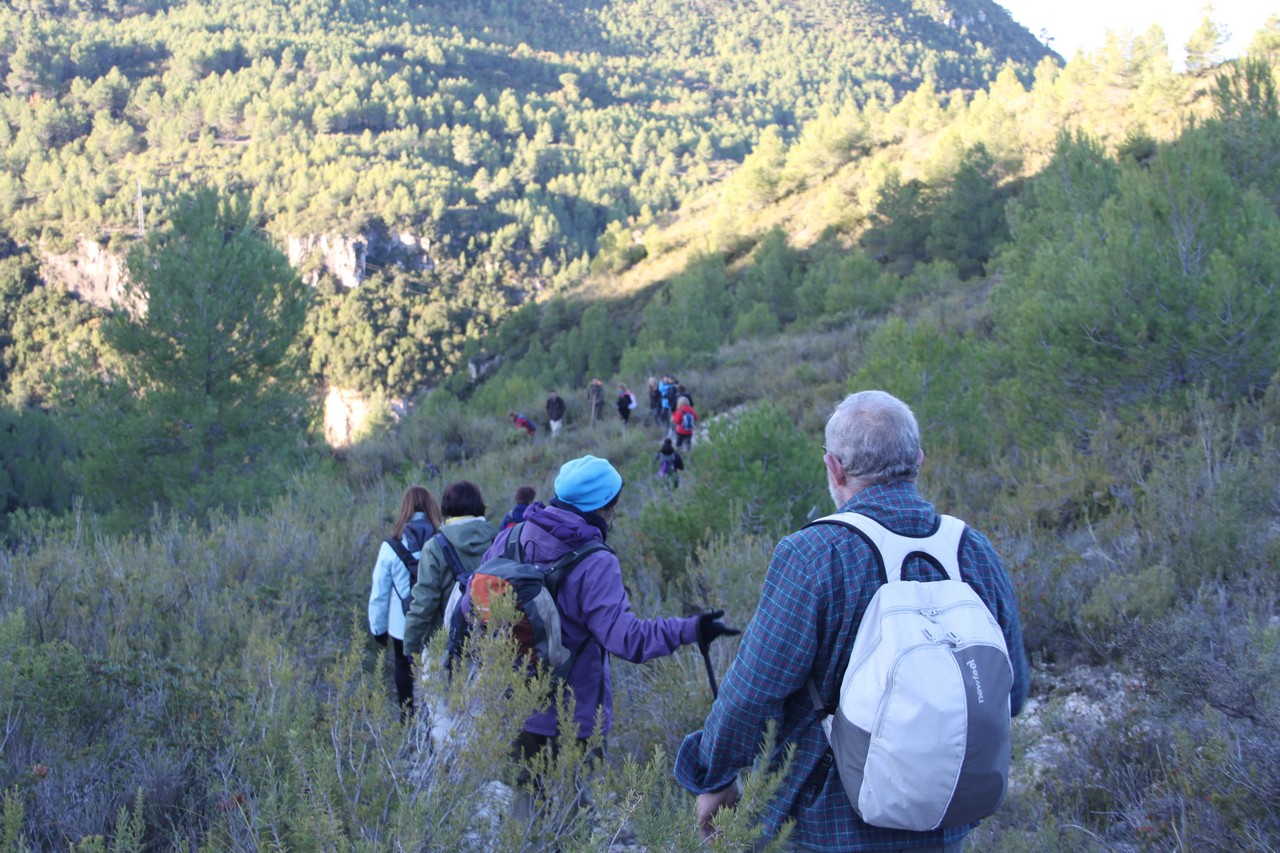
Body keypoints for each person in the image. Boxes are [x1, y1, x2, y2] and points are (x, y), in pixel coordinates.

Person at [674, 390, 1030, 852]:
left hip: (824, 825)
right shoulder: (973, 550)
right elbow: (1012, 693)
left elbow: (752, 695)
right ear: (918, 461)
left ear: (835, 468)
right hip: (943, 822)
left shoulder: (813, 555)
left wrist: (713, 777)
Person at [480, 455, 738, 815]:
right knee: (572, 818)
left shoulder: (511, 537)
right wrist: (692, 628)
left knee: (525, 810)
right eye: (613, 504)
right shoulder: (595, 561)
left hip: (513, 707)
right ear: (604, 507)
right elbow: (628, 640)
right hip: (573, 717)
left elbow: (471, 608)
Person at [368, 486, 443, 716]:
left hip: (401, 623)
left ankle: (407, 720)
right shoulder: (443, 540)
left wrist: (378, 628)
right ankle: (435, 718)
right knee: (437, 667)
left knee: (403, 665)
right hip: (436, 620)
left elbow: (380, 592)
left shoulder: (391, 547)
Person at [403, 481, 498, 658]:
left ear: (446, 507)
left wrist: (410, 646)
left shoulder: (435, 546)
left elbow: (424, 602)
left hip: (444, 647)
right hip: (490, 646)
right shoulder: (498, 541)